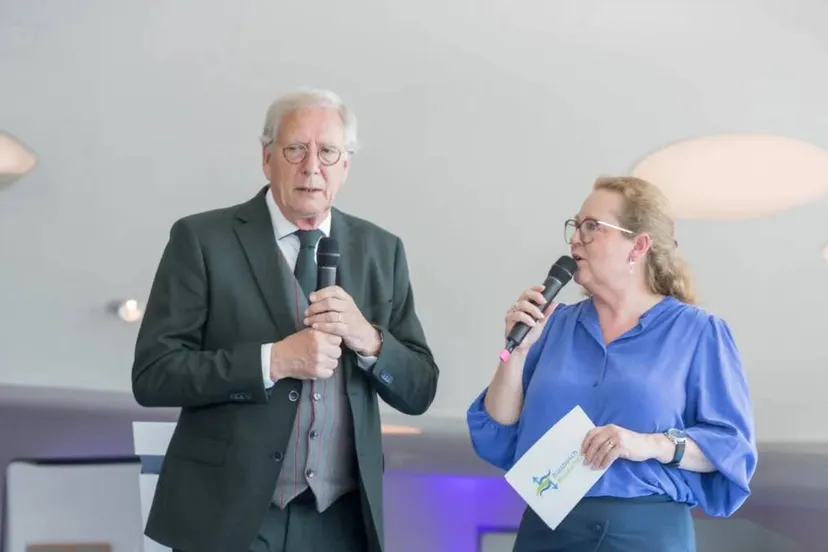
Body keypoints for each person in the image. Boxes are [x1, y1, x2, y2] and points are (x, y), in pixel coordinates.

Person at [132, 87, 440, 552]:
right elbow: (154, 375)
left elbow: (420, 389)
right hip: (228, 517)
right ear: (267, 157)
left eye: (328, 152)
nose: (311, 167)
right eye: (296, 149)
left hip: (341, 523)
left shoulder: (383, 251)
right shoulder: (201, 239)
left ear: (346, 165)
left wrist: (370, 340)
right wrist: (271, 361)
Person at [466, 176, 757, 552]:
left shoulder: (699, 332)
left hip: (646, 532)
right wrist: (516, 354)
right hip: (548, 530)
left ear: (638, 246)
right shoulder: (552, 325)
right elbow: (497, 435)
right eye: (575, 226)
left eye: (592, 227)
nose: (575, 239)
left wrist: (649, 444)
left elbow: (731, 449)